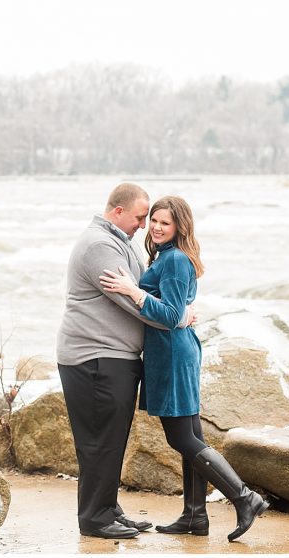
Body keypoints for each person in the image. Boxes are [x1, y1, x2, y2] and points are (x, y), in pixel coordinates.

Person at [99, 195, 268, 542]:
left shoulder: (174, 259)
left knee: (181, 437)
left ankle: (244, 497)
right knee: (192, 435)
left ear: (179, 227)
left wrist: (135, 291)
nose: (157, 227)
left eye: (166, 223)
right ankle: (195, 515)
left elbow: (173, 315)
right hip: (175, 351)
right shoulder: (167, 256)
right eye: (155, 221)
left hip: (172, 355)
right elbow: (180, 309)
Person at [56, 183, 193, 540]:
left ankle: (108, 509)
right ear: (118, 212)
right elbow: (133, 301)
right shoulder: (101, 246)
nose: (144, 225)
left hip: (110, 357)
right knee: (100, 440)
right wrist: (178, 317)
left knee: (111, 438)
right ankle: (95, 518)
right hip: (95, 357)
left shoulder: (116, 241)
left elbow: (142, 291)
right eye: (139, 217)